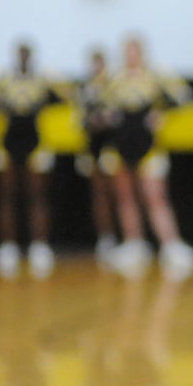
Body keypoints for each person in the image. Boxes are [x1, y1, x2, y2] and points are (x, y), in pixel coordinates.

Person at [100, 35, 193, 279]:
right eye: (128, 51)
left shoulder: (156, 75)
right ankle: (134, 244)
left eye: (136, 51)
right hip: (121, 143)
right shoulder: (113, 78)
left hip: (148, 144)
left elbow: (184, 96)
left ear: (142, 53)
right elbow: (94, 103)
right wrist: (107, 116)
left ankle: (171, 245)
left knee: (155, 195)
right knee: (125, 196)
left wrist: (161, 114)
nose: (131, 56)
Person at [0, 40, 64, 279]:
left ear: (33, 57)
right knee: (7, 193)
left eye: (27, 54)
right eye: (20, 54)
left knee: (37, 194)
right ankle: (8, 246)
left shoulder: (43, 79)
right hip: (8, 140)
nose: (24, 59)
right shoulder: (3, 78)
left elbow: (65, 97)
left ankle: (39, 245)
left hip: (35, 140)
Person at [76, 46, 120, 263]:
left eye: (100, 63)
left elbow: (121, 113)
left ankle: (126, 238)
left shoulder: (115, 85)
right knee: (99, 193)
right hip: (93, 145)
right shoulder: (86, 88)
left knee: (117, 191)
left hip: (111, 145)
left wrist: (109, 118)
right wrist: (92, 121)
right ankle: (106, 237)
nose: (97, 68)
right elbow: (80, 118)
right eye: (94, 64)